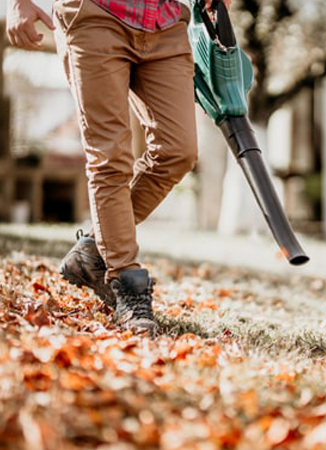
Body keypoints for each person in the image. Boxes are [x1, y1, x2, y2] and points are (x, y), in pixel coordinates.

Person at [6, 0, 229, 333]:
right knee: (109, 158)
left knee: (177, 151)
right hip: (95, 15)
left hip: (165, 22)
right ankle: (128, 285)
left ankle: (94, 248)